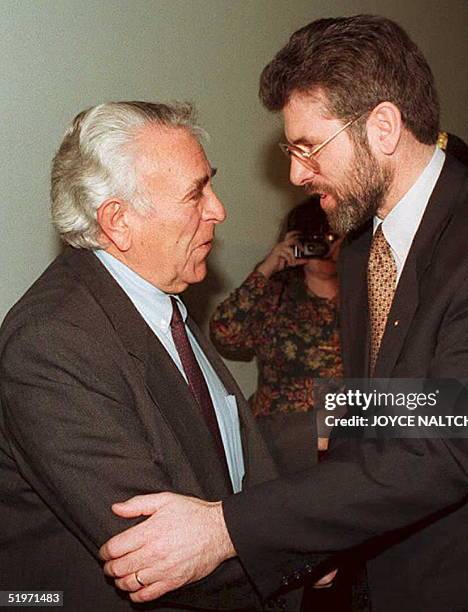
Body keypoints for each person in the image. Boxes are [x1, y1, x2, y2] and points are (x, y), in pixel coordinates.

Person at [100, 16, 468, 612]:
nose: (295, 173)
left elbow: (441, 449)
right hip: (384, 572)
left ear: (384, 127)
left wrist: (225, 527)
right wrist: (322, 542)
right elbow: (372, 409)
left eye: (307, 147)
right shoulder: (363, 248)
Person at [0, 101, 312, 611]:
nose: (219, 209)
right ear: (118, 222)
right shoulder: (52, 343)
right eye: (196, 193)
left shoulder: (158, 301)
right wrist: (310, 542)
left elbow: (218, 453)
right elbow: (156, 552)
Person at [210, 197, 342, 419]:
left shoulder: (365, 296)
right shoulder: (274, 297)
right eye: (315, 239)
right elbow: (225, 334)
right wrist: (266, 269)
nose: (325, 248)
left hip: (345, 436)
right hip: (280, 433)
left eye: (332, 238)